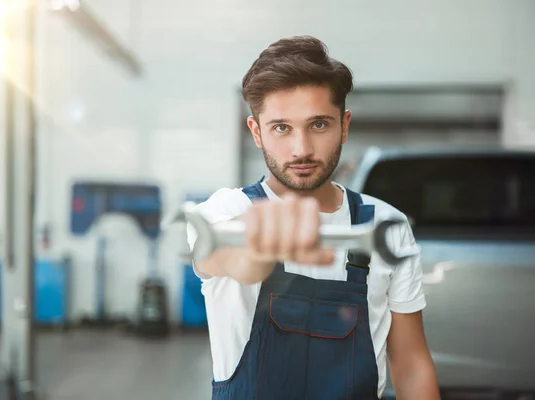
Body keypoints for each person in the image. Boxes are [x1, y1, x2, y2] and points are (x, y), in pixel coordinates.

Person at [186, 35, 440, 400]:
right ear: (257, 132)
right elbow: (219, 253)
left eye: (318, 125)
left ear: (345, 125)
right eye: (281, 127)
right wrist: (253, 253)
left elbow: (411, 365)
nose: (301, 148)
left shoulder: (386, 227)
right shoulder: (227, 211)